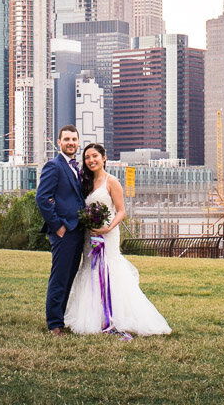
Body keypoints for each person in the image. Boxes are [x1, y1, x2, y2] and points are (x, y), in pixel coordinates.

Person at [63, 143, 171, 338]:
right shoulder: (84, 183)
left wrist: (108, 227)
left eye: (95, 156)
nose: (91, 160)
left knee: (109, 269)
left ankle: (115, 316)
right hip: (90, 235)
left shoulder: (111, 182)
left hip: (107, 234)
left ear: (104, 158)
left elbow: (121, 211)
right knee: (90, 268)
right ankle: (93, 317)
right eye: (87, 157)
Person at [35, 125, 86, 335]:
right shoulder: (54, 166)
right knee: (59, 278)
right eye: (66, 139)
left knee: (69, 277)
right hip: (63, 233)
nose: (71, 143)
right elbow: (42, 199)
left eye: (74, 139)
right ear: (59, 142)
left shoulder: (75, 167)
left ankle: (61, 319)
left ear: (78, 142)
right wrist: (58, 226)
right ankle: (54, 324)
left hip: (77, 232)